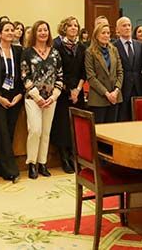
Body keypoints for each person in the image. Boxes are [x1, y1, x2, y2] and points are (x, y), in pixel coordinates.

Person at [21, 20, 63, 179]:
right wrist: (38, 97)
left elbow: (60, 76)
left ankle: (42, 163)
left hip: (51, 99)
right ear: (34, 33)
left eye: (46, 30)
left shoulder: (55, 53)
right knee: (35, 130)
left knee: (46, 132)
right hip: (33, 99)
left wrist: (53, 97)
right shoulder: (27, 53)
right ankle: (31, 163)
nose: (43, 33)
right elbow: (25, 77)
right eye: (40, 30)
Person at [0, 20, 24, 183]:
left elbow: (23, 75)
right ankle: (11, 170)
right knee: (2, 133)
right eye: (7, 30)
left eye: (12, 30)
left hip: (15, 98)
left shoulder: (19, 51)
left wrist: (19, 95)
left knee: (9, 133)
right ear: (0, 34)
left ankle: (0, 167)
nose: (10, 32)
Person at [50, 16, 86, 174]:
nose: (73, 28)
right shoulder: (56, 45)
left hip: (77, 92)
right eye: (70, 26)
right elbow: (55, 70)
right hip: (62, 91)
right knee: (63, 126)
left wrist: (77, 89)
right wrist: (68, 90)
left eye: (76, 26)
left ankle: (74, 156)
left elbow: (83, 71)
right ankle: (64, 157)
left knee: (77, 125)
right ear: (64, 28)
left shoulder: (81, 46)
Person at [85, 21, 123, 123]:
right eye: (103, 33)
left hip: (115, 97)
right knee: (99, 132)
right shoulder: (90, 52)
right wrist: (107, 94)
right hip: (99, 98)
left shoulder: (114, 50)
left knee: (112, 130)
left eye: (108, 33)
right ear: (96, 35)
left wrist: (116, 91)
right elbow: (91, 77)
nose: (106, 35)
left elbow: (120, 72)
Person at [113, 16, 142, 121]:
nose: (127, 27)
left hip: (138, 87)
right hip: (122, 88)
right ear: (117, 30)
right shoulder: (113, 47)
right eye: (124, 25)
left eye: (129, 25)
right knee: (123, 119)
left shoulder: (140, 45)